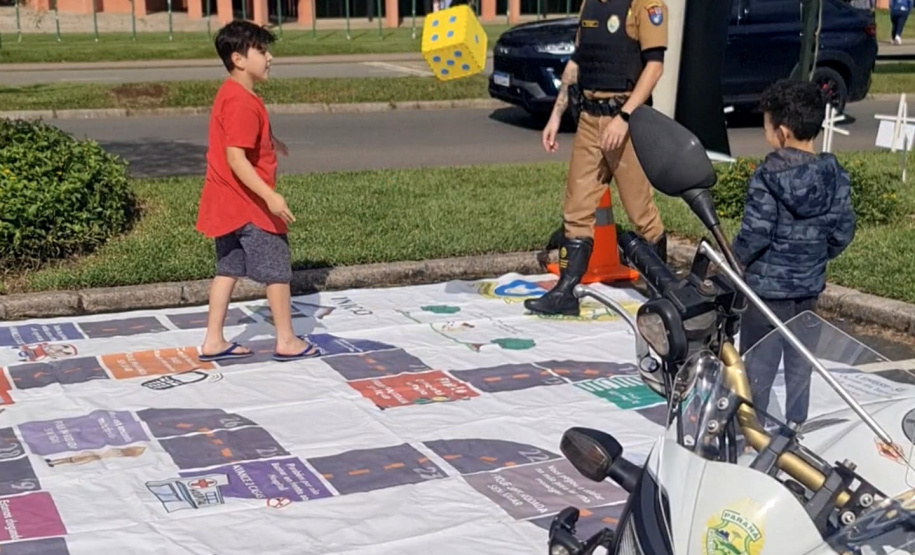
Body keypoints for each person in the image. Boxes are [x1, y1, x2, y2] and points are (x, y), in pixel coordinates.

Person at [524, 0, 668, 317]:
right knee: (576, 207)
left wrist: (626, 117)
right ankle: (566, 291)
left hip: (626, 119)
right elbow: (577, 62)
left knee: (640, 212)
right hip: (589, 119)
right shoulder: (591, 5)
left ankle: (662, 290)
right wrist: (556, 115)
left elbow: (654, 66)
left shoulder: (645, 5)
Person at [195, 21, 321, 363]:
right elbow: (236, 157)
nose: (270, 57)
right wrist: (269, 196)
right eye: (262, 51)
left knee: (227, 269)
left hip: (224, 204)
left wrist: (272, 141)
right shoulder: (243, 103)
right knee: (277, 271)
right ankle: (287, 340)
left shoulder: (230, 93)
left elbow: (240, 138)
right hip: (250, 206)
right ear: (238, 59)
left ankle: (213, 340)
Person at [734, 79, 856, 426]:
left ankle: (753, 429)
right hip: (808, 290)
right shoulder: (836, 176)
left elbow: (755, 234)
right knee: (800, 365)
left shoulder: (767, 176)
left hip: (766, 293)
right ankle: (796, 426)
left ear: (782, 132)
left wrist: (734, 261)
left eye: (766, 127)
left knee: (757, 365)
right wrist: (815, 256)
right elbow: (843, 231)